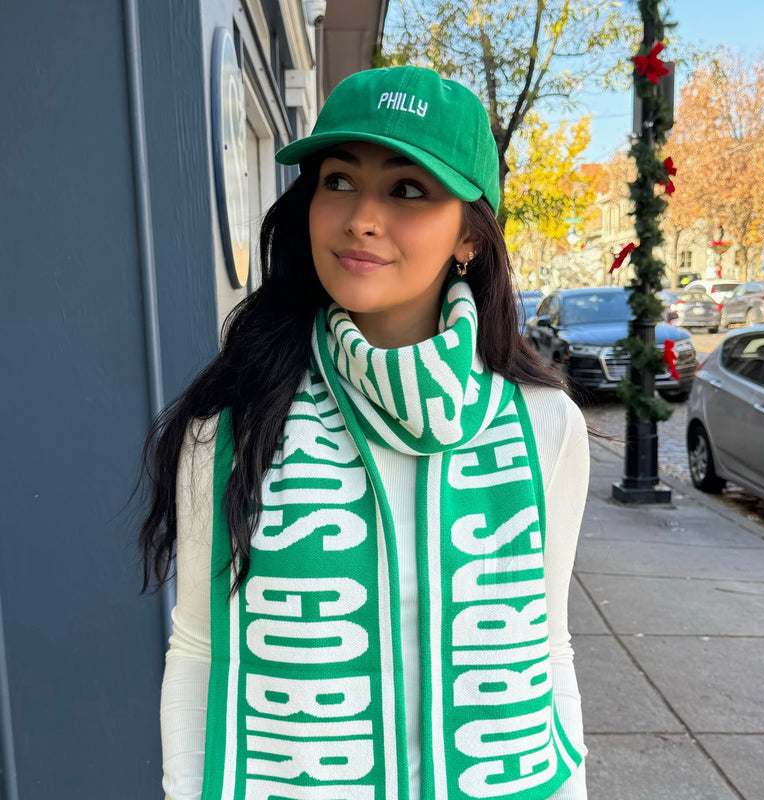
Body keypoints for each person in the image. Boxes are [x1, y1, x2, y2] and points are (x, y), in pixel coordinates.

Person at [139, 65, 589, 800]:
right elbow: (197, 650)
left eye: (408, 190)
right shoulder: (230, 425)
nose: (361, 217)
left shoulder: (543, 426)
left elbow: (547, 647)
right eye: (338, 180)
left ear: (470, 238)